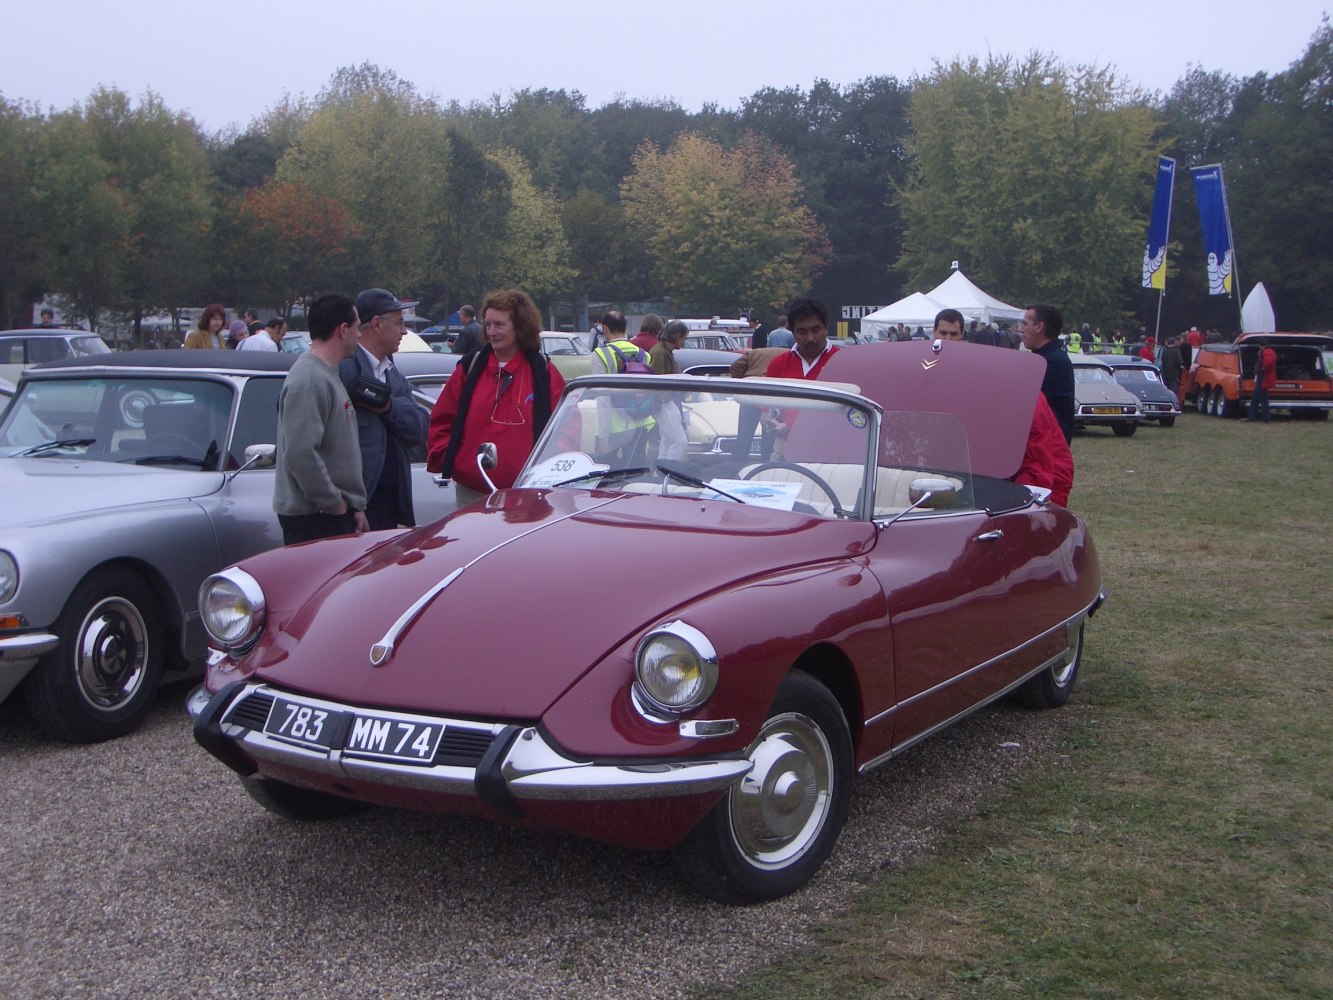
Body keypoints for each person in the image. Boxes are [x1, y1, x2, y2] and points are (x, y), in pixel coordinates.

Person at [427, 289, 566, 508]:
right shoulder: (469, 369)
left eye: (499, 325)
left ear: (520, 326)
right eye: (488, 324)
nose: (492, 332)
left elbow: (565, 428)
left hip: (527, 496)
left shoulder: (543, 373)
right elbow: (442, 419)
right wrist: (452, 460)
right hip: (471, 493)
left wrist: (551, 474)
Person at [935, 309, 1072, 505]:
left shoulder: (1029, 390)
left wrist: (1020, 503)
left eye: (953, 334)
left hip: (1032, 475)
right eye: (943, 333)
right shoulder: (930, 371)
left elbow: (1040, 461)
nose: (948, 339)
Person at [273, 293, 367, 544]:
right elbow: (300, 453)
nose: (360, 335)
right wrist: (335, 505)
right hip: (315, 519)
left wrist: (353, 505)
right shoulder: (309, 379)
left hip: (329, 514)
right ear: (343, 329)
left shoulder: (325, 373)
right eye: (357, 328)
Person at [340, 288, 430, 531]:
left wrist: (388, 405)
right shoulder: (343, 370)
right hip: (356, 506)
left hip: (388, 505)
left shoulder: (393, 375)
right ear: (377, 324)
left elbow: (419, 429)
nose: (404, 331)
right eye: (399, 322)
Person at [589, 310, 653, 462]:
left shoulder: (600, 355)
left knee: (607, 473)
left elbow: (603, 395)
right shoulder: (644, 355)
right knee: (636, 471)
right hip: (641, 422)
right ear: (625, 329)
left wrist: (603, 433)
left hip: (613, 426)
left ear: (604, 329)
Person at [1020, 304, 1075, 444]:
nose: (1021, 330)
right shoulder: (1045, 358)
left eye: (1025, 324)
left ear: (1039, 327)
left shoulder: (1049, 363)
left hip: (1048, 448)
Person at [729, 345, 786, 460]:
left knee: (744, 434)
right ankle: (765, 463)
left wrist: (741, 383)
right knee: (769, 433)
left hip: (749, 394)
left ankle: (737, 464)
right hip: (770, 396)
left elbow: (735, 366)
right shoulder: (790, 356)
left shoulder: (754, 352)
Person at [765, 298, 839, 380]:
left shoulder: (842, 362)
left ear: (826, 328)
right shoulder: (778, 365)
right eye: (802, 332)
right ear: (793, 333)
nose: (810, 338)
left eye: (816, 330)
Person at [648, 319, 689, 460]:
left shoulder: (663, 351)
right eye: (683, 338)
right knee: (679, 441)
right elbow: (657, 380)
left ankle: (660, 473)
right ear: (677, 336)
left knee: (667, 441)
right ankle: (669, 471)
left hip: (664, 401)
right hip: (663, 401)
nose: (683, 342)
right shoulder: (660, 352)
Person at [1244, 338, 1277, 422]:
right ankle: (1251, 416)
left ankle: (1265, 418)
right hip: (1262, 377)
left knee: (1262, 398)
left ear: (1260, 345)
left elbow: (1268, 363)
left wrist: (1262, 370)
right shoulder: (1269, 351)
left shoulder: (1267, 352)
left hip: (1262, 377)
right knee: (1255, 398)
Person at [1159, 336, 1184, 400]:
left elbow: (1163, 360)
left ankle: (1165, 399)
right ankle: (1172, 400)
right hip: (1174, 373)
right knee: (1173, 389)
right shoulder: (1176, 350)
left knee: (1166, 387)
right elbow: (1179, 361)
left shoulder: (1165, 350)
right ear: (1174, 342)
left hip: (1165, 372)